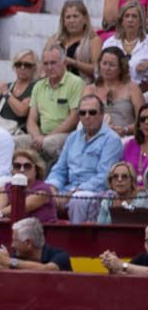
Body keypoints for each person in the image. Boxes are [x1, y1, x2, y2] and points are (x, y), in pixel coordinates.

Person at [42, 93, 122, 223]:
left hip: (93, 192)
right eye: (83, 113)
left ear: (101, 114)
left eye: (92, 112)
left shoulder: (111, 140)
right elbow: (59, 169)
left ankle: (75, 239)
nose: (87, 116)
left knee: (79, 200)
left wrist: (74, 192)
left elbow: (104, 177)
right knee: (41, 195)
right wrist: (52, 187)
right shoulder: (73, 138)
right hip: (67, 190)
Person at [21, 45, 84, 164]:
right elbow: (31, 120)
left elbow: (74, 119)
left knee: (49, 143)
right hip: (41, 135)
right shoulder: (39, 86)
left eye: (53, 63)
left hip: (66, 135)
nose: (49, 67)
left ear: (63, 62)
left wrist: (45, 138)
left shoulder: (75, 83)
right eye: (46, 64)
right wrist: (37, 137)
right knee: (14, 141)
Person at [85, 46, 143, 138]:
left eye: (112, 65)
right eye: (104, 63)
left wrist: (126, 130)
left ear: (121, 68)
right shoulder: (90, 89)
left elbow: (143, 119)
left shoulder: (132, 88)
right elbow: (82, 118)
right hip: (96, 136)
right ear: (99, 65)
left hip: (125, 137)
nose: (107, 68)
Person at [0, 148, 56, 223]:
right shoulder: (9, 186)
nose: (22, 170)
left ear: (36, 169)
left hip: (41, 232)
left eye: (27, 166)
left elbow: (19, 207)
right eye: (17, 166)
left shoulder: (43, 190)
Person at [0, 216, 72, 272]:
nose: (12, 245)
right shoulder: (17, 258)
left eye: (15, 240)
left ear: (28, 243)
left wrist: (9, 261)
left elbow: (48, 270)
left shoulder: (60, 256)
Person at [0, 50, 38, 137]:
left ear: (34, 68)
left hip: (17, 133)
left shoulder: (35, 87)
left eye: (27, 65)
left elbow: (22, 111)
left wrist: (6, 93)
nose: (22, 68)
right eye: (18, 64)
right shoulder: (7, 86)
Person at [49, 0, 102, 82]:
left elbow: (97, 69)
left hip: (83, 87)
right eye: (68, 17)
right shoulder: (55, 40)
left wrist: (74, 63)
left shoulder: (94, 40)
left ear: (85, 19)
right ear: (63, 21)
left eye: (75, 16)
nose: (71, 21)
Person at [103, 3, 148, 86]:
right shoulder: (110, 43)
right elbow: (99, 70)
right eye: (127, 16)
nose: (130, 20)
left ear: (141, 21)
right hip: (114, 88)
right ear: (122, 21)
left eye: (134, 16)